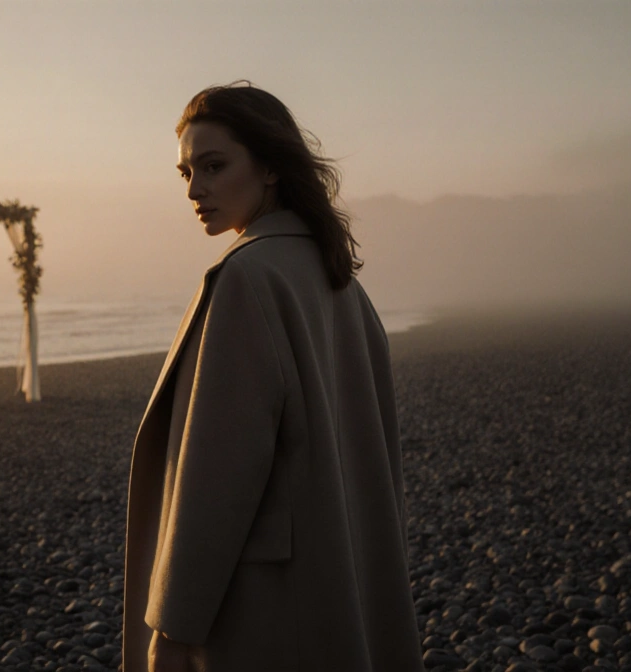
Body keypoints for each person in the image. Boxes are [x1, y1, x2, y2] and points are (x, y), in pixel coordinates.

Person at [123, 81, 424, 672]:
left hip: (263, 606)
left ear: (269, 168)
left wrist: (173, 629)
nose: (196, 189)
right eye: (185, 173)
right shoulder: (340, 282)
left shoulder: (248, 277)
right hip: (343, 584)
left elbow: (217, 478)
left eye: (213, 166)